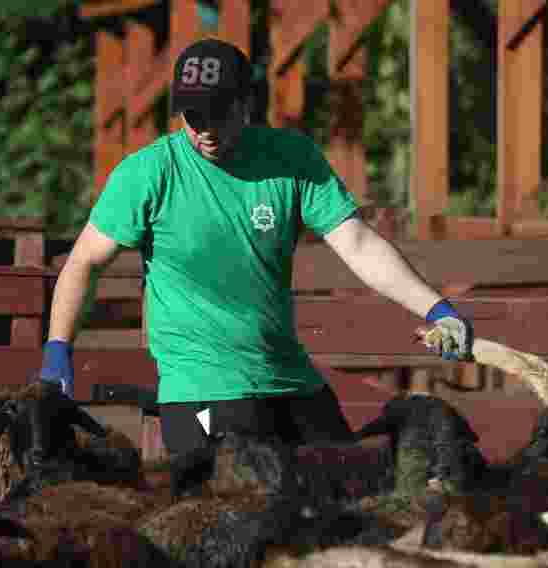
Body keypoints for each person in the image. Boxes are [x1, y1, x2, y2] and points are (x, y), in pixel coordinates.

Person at [41, 38, 472, 485]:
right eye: (193, 116)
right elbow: (84, 263)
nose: (204, 128)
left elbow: (359, 244)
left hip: (291, 380)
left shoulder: (291, 158)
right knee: (249, 512)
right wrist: (57, 350)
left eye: (218, 113)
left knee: (359, 499)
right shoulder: (148, 174)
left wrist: (436, 309)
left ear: (247, 104)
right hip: (201, 393)